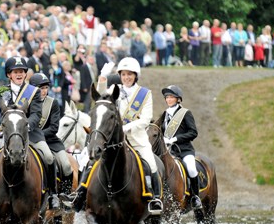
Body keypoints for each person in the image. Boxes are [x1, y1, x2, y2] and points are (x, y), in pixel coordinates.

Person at [72, 57, 163, 214]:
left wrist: (126, 127)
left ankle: (154, 198)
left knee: (150, 163)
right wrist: (102, 77)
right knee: (89, 160)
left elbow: (146, 119)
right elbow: (100, 96)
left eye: (130, 74)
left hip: (135, 138)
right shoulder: (114, 89)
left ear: (135, 76)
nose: (126, 77)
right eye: (124, 74)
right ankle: (80, 194)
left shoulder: (145, 94)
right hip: (112, 139)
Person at [0, 56, 58, 211]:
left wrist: (25, 127)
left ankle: (52, 195)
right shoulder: (1, 91)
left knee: (49, 157)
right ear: (9, 74)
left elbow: (36, 114)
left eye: (22, 71)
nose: (19, 74)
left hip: (30, 132)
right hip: (6, 133)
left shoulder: (34, 92)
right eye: (15, 71)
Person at [29, 73, 73, 201]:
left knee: (66, 166)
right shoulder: (26, 102)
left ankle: (66, 195)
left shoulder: (53, 103)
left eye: (45, 88)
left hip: (50, 140)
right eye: (40, 88)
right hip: (30, 139)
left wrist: (39, 135)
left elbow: (54, 128)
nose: (43, 91)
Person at [158, 84, 202, 209]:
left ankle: (195, 197)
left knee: (192, 169)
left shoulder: (185, 113)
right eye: (167, 97)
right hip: (169, 151)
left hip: (184, 150)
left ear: (178, 98)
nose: (168, 99)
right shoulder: (165, 115)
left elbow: (193, 132)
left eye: (171, 97)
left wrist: (175, 139)